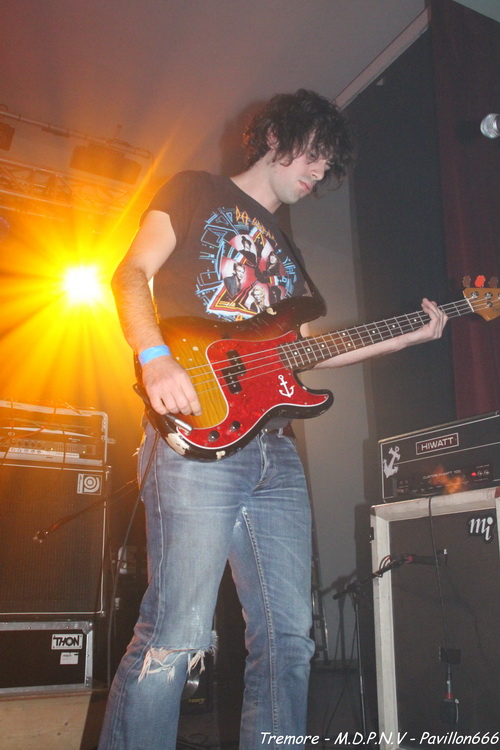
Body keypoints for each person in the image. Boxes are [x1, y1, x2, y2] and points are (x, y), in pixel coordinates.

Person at [98, 89, 447, 750]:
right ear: (276, 137)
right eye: (316, 153)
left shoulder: (287, 251)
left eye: (330, 165)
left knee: (290, 637)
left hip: (275, 453)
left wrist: (404, 337)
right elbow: (131, 273)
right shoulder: (193, 189)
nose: (320, 172)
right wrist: (154, 357)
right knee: (177, 633)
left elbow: (309, 347)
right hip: (197, 429)